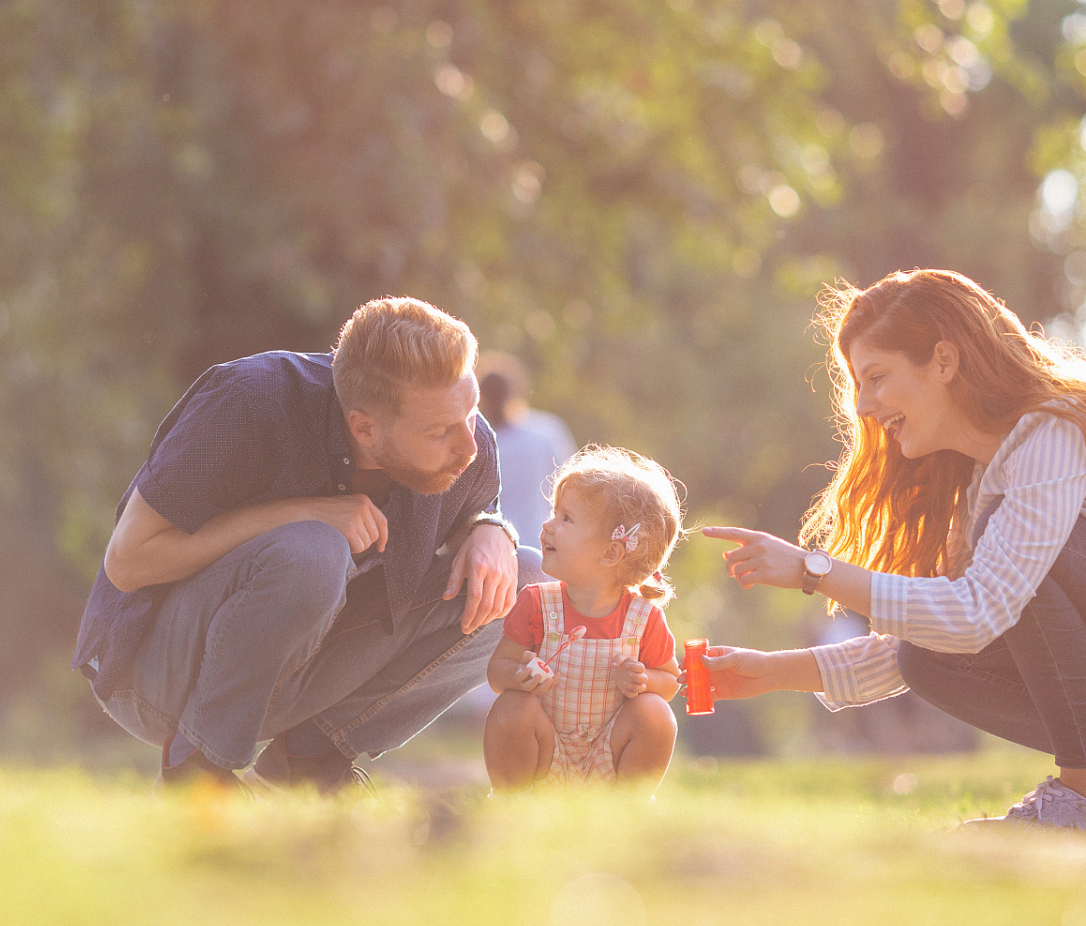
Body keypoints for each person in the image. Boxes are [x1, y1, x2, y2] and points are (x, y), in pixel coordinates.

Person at [700, 270, 1086, 832]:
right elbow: (943, 631)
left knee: (1015, 578)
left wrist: (815, 572)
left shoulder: (1057, 430)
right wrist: (769, 672)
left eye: (877, 377)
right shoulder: (995, 478)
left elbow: (981, 609)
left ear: (944, 362)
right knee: (931, 656)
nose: (864, 406)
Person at [71, 297, 544, 793]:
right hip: (156, 675)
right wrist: (298, 512)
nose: (469, 445)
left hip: (299, 672)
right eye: (441, 431)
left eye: (470, 413)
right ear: (364, 427)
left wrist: (491, 528)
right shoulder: (248, 403)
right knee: (313, 551)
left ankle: (308, 760)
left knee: (522, 581)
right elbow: (127, 562)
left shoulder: (470, 443)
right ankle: (198, 766)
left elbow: (478, 515)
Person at [483, 446, 683, 790]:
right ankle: (514, 799)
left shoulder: (643, 619)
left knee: (654, 714)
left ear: (611, 552)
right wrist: (520, 676)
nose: (547, 525)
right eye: (553, 513)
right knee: (512, 707)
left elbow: (669, 681)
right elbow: (497, 673)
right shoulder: (535, 603)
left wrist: (642, 682)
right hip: (545, 750)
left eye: (566, 519)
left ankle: (626, 806)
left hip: (610, 752)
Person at [477, 352, 576, 548]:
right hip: (495, 550)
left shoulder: (546, 432)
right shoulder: (475, 442)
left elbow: (573, 491)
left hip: (541, 547)